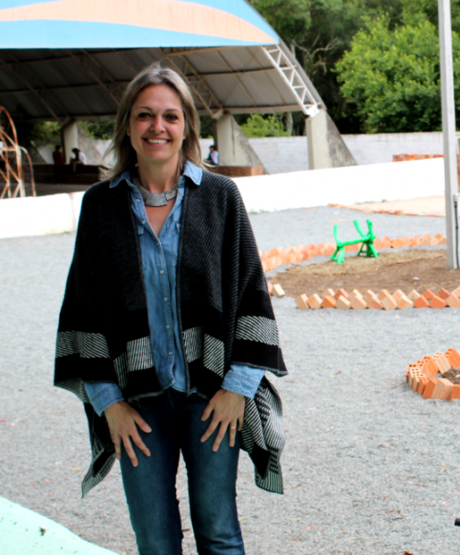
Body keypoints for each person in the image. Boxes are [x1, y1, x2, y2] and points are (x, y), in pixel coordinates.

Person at [54, 62, 287, 555]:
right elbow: (84, 310)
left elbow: (251, 294)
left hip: (211, 399)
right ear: (127, 127)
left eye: (170, 116)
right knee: (155, 542)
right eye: (144, 116)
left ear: (186, 127)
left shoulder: (221, 199)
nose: (157, 127)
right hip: (135, 406)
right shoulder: (100, 207)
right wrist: (108, 403)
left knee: (220, 534)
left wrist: (236, 390)